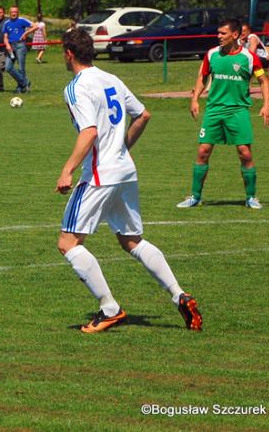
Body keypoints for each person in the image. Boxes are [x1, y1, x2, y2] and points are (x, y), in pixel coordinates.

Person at [56, 28, 201, 333]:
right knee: (131, 240)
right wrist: (121, 149)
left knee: (68, 243)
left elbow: (89, 132)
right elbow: (144, 115)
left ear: (69, 54)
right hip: (124, 170)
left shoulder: (75, 87)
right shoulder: (112, 79)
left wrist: (68, 168)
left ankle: (109, 309)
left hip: (99, 174)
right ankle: (180, 295)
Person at [177, 19, 269, 210]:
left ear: (235, 35)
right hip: (214, 110)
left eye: (223, 33)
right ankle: (195, 197)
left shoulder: (249, 57)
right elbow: (202, 77)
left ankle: (251, 197)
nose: (218, 36)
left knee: (245, 153)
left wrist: (267, 104)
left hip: (238, 111)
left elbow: (263, 80)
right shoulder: (212, 54)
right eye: (218, 33)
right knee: (203, 151)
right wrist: (195, 98)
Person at [3, 6, 37, 93]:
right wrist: (7, 44)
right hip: (10, 47)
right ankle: (25, 82)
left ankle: (20, 87)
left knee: (21, 68)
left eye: (15, 12)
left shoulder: (22, 20)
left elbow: (35, 26)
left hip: (20, 45)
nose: (13, 14)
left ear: (18, 12)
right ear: (9, 13)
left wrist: (26, 32)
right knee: (8, 67)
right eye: (12, 12)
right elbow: (5, 36)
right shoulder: (7, 23)